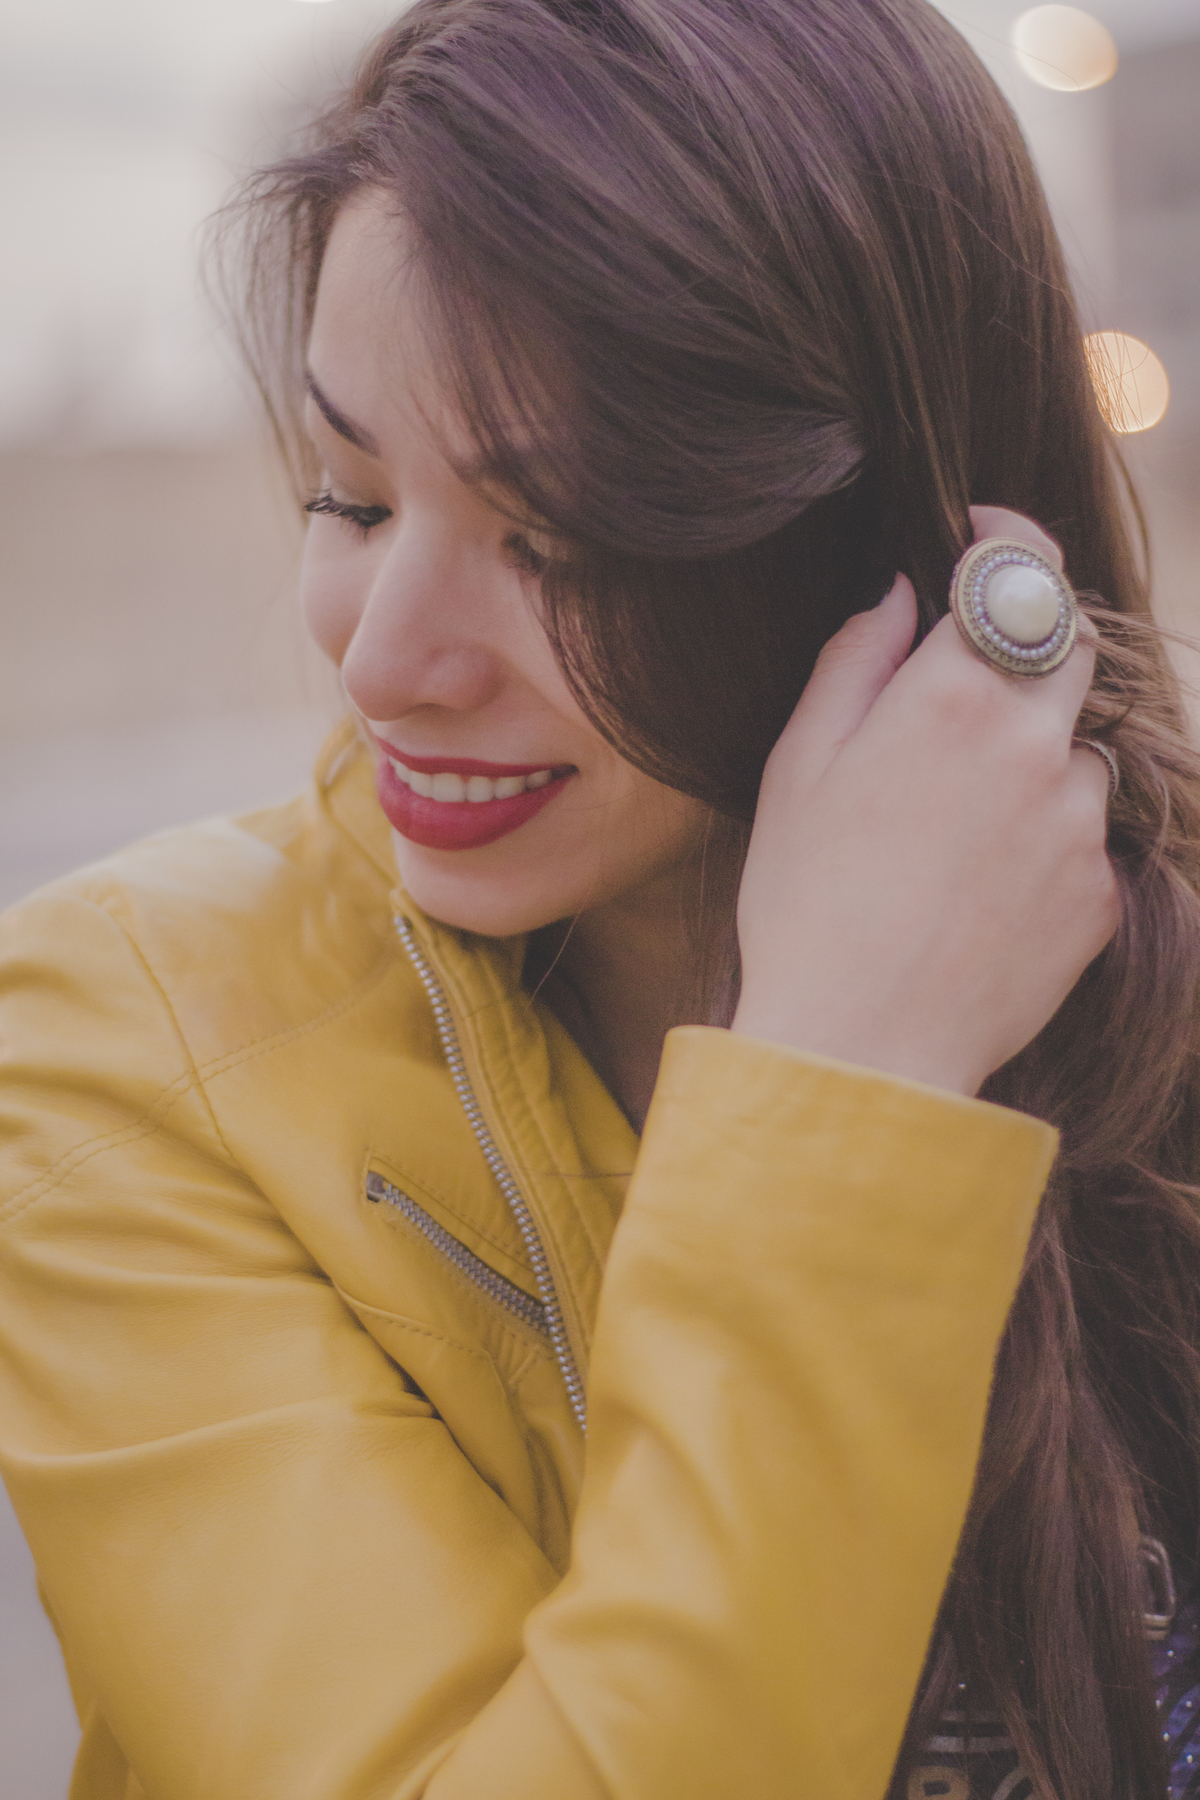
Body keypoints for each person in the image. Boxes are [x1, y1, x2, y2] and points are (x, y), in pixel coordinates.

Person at [1, 1, 1198, 1795]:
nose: (382, 665)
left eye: (553, 539)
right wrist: (847, 1067)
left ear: (881, 527)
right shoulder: (129, 1047)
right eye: (350, 498)